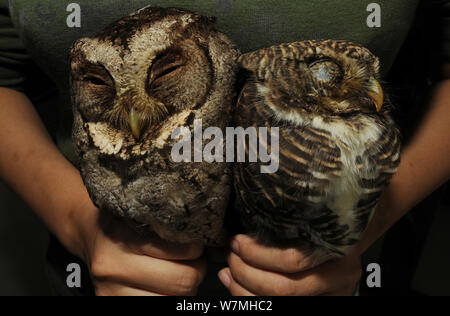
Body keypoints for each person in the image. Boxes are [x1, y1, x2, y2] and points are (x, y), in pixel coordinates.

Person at [0, 0, 449, 296]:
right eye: (98, 83)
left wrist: (358, 218)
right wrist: (76, 219)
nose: (136, 115)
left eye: (167, 75)